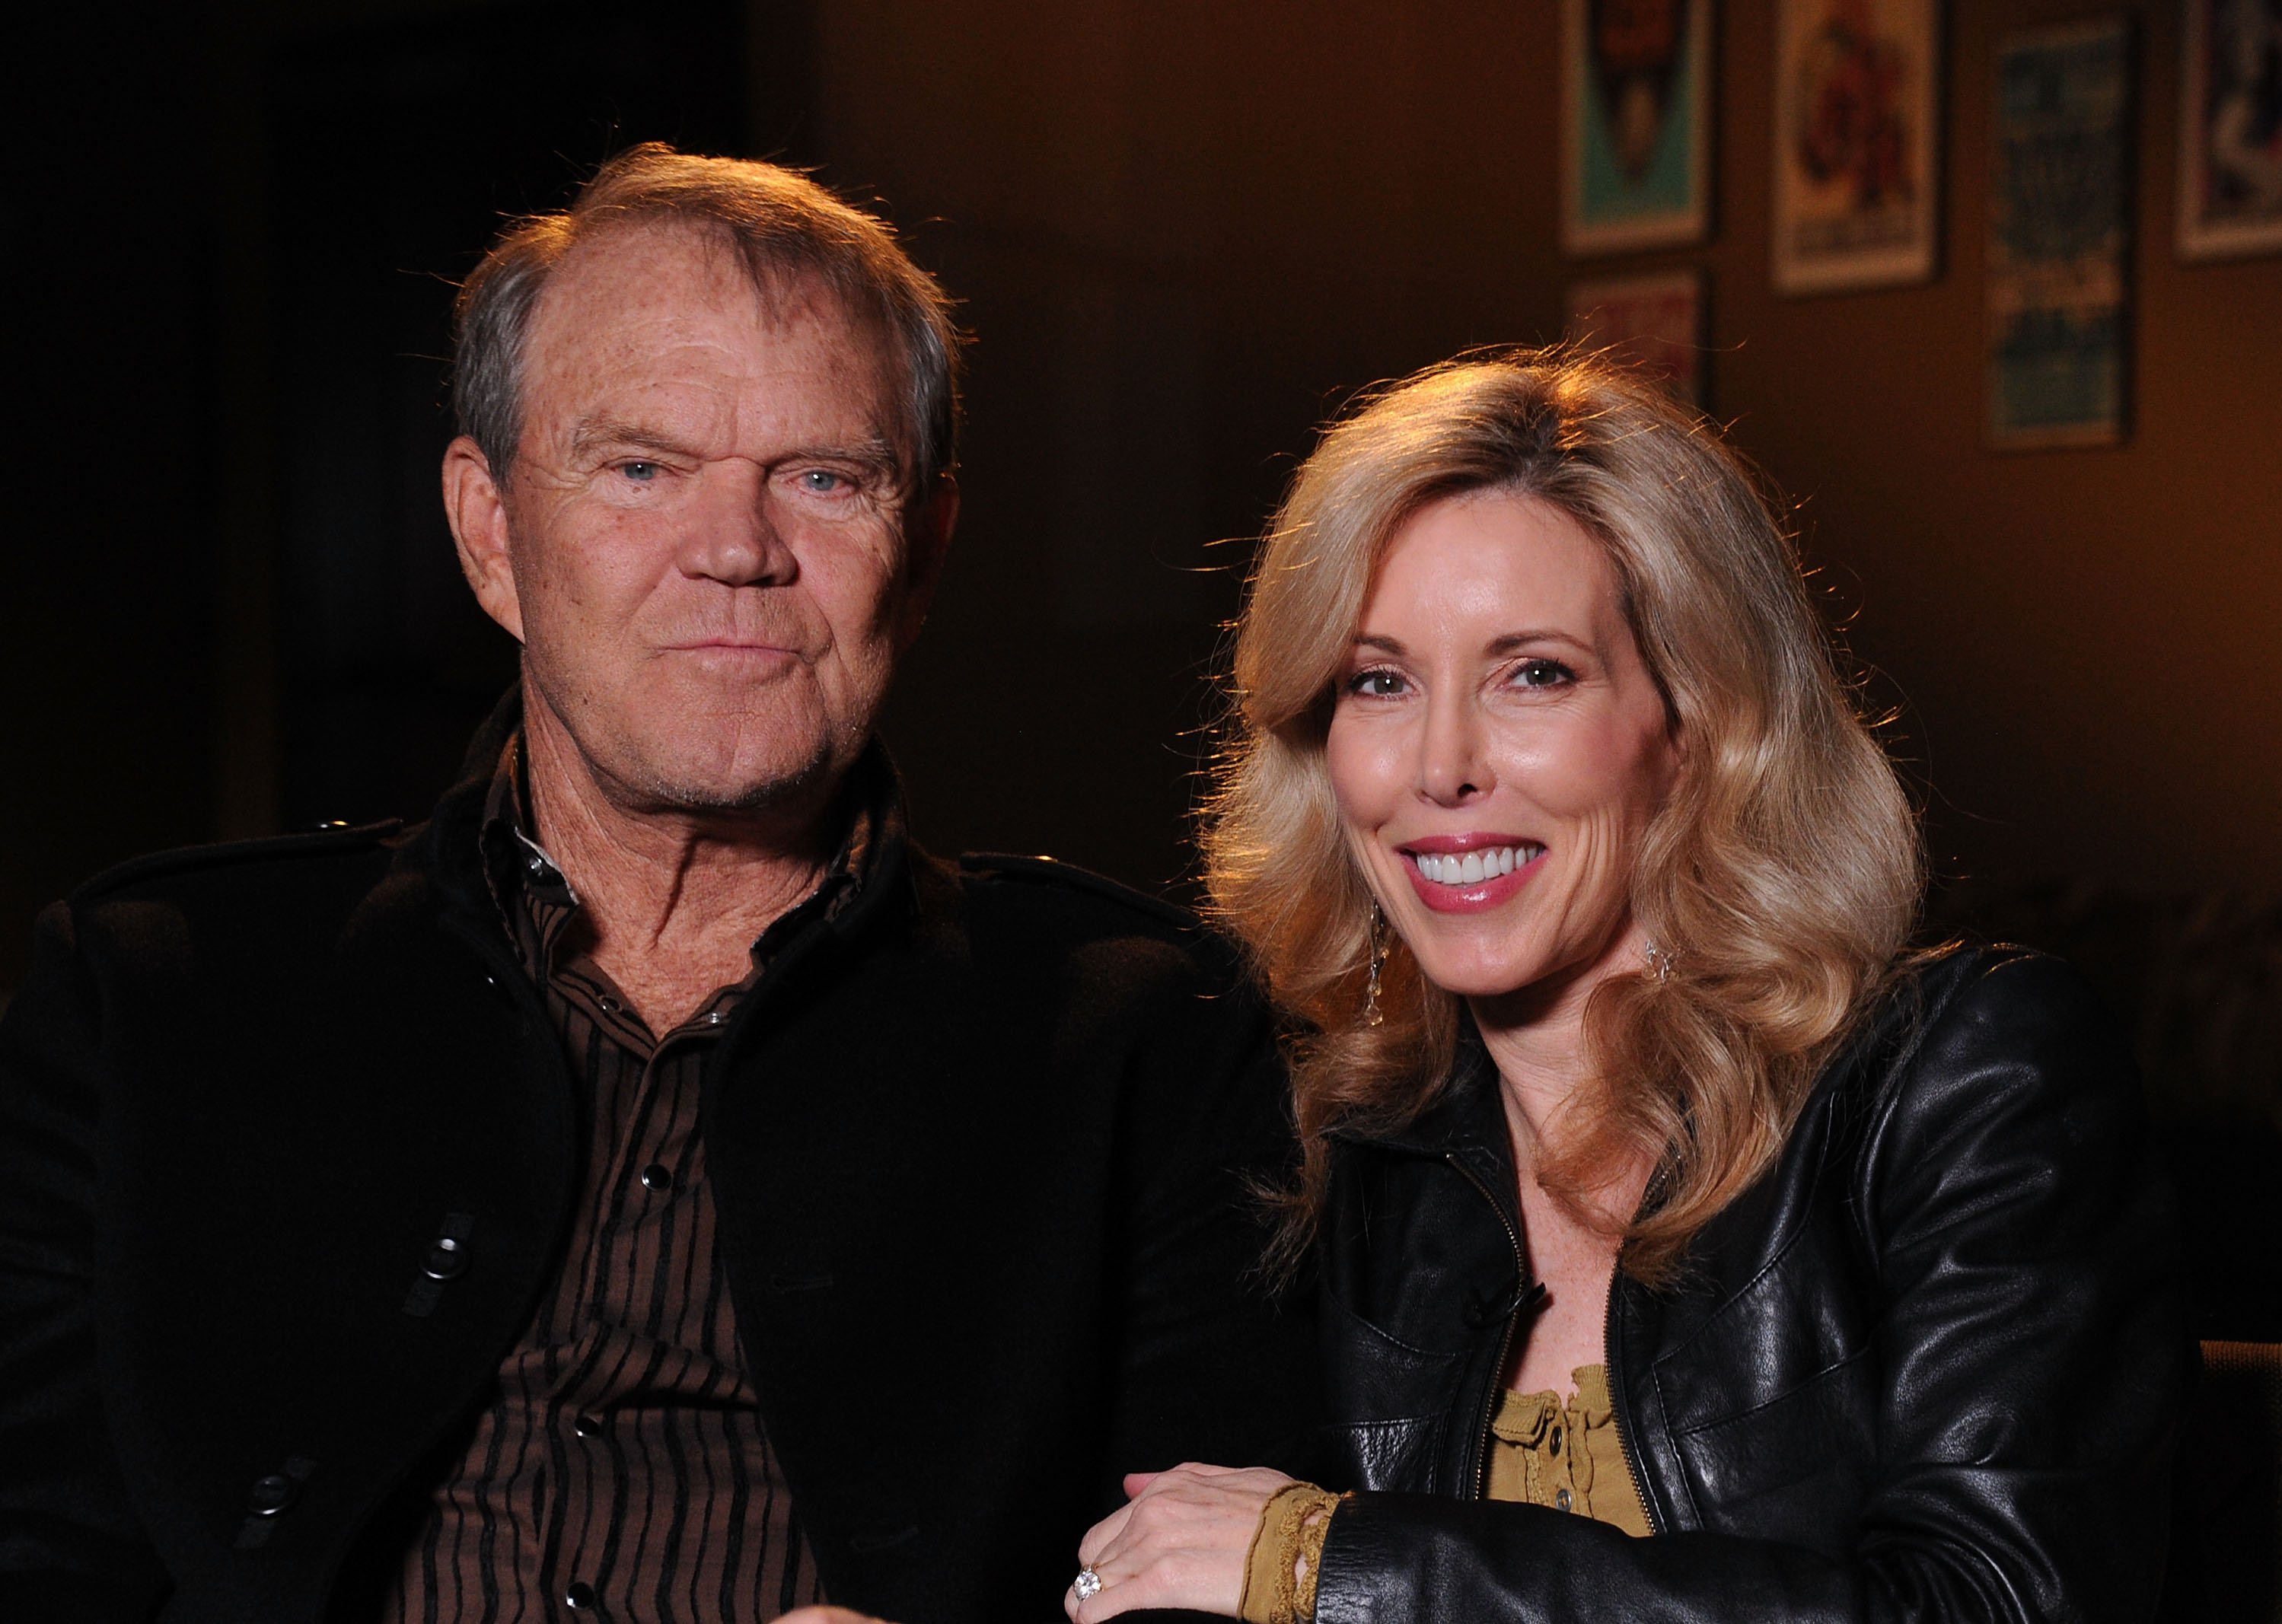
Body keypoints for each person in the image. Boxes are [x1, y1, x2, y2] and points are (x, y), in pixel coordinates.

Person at [0, 145, 1315, 1624]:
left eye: (825, 478)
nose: (739, 551)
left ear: (925, 551)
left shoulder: (1148, 1039)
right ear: (492, 531)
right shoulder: (156, 992)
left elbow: (1223, 1580)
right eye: (641, 468)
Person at [1062, 350, 2185, 1623]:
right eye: (1380, 680)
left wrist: (1342, 1562)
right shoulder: (1343, 1163)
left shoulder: (1972, 1078)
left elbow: (1996, 1608)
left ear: (1699, 722)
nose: (1440, 766)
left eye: (1533, 671)